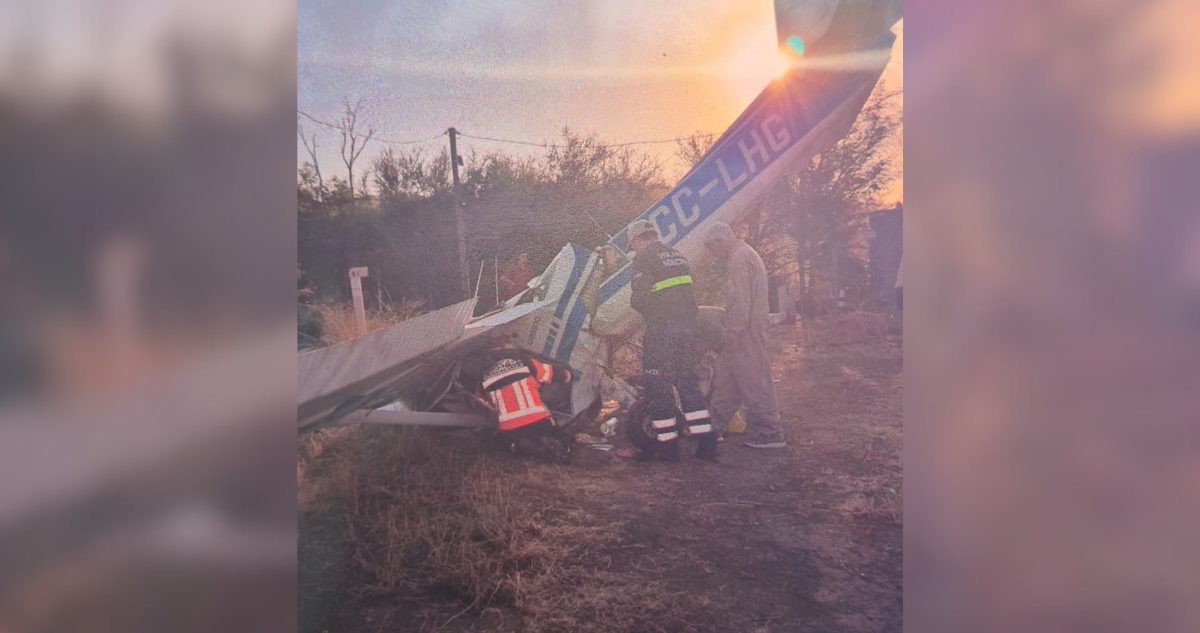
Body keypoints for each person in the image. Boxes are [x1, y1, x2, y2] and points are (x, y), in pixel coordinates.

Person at [626, 219, 718, 462]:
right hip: (687, 329)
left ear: (637, 240)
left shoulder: (643, 259)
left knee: (657, 385)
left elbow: (639, 299)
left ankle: (667, 447)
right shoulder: (678, 256)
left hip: (662, 330)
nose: (634, 249)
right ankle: (706, 443)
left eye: (633, 245)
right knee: (687, 382)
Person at [702, 222, 785, 449]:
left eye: (712, 248)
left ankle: (769, 432)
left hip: (745, 328)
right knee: (727, 377)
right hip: (746, 326)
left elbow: (740, 301)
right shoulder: (745, 254)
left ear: (722, 241)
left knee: (754, 378)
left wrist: (732, 330)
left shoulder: (739, 259)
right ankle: (714, 427)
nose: (712, 253)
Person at [475, 334, 575, 463]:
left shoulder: (484, 376)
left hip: (509, 427)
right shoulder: (526, 363)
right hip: (537, 420)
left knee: (513, 443)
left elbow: (483, 400)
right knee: (558, 434)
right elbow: (557, 374)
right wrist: (569, 374)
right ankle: (561, 444)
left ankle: (522, 446)